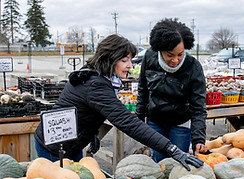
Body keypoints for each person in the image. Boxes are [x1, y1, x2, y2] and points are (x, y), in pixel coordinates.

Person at [34, 34, 203, 170]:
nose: (130, 65)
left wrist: (90, 132)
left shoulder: (96, 76)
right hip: (55, 148)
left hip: (72, 143)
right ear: (110, 59)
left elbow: (82, 109)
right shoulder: (95, 85)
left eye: (130, 60)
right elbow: (127, 122)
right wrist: (170, 148)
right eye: (124, 60)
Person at [135, 18, 208, 163]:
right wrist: (139, 117)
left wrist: (198, 138)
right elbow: (143, 89)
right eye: (170, 55)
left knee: (177, 164)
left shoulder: (193, 67)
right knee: (159, 163)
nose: (175, 60)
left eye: (180, 54)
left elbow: (198, 107)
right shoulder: (149, 57)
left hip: (180, 124)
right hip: (155, 122)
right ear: (160, 49)